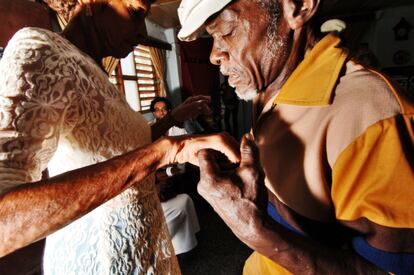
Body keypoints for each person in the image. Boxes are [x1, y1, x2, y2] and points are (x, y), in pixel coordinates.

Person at [0, 0, 240, 274]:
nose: (141, 31)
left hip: (144, 249)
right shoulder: (40, 51)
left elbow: (123, 148)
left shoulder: (97, 71)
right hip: (102, 259)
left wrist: (174, 119)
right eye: (135, 12)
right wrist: (168, 150)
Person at [177, 0, 414, 274]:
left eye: (227, 31)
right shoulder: (272, 92)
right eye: (213, 37)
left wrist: (256, 230)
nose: (214, 55)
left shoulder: (374, 117)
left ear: (299, 7)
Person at [150, 96, 202, 255]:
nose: (161, 112)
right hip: (158, 169)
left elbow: (185, 155)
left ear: (170, 111)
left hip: (177, 168)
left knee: (177, 178)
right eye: (157, 110)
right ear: (153, 113)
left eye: (164, 109)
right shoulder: (148, 131)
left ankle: (189, 237)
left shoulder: (180, 131)